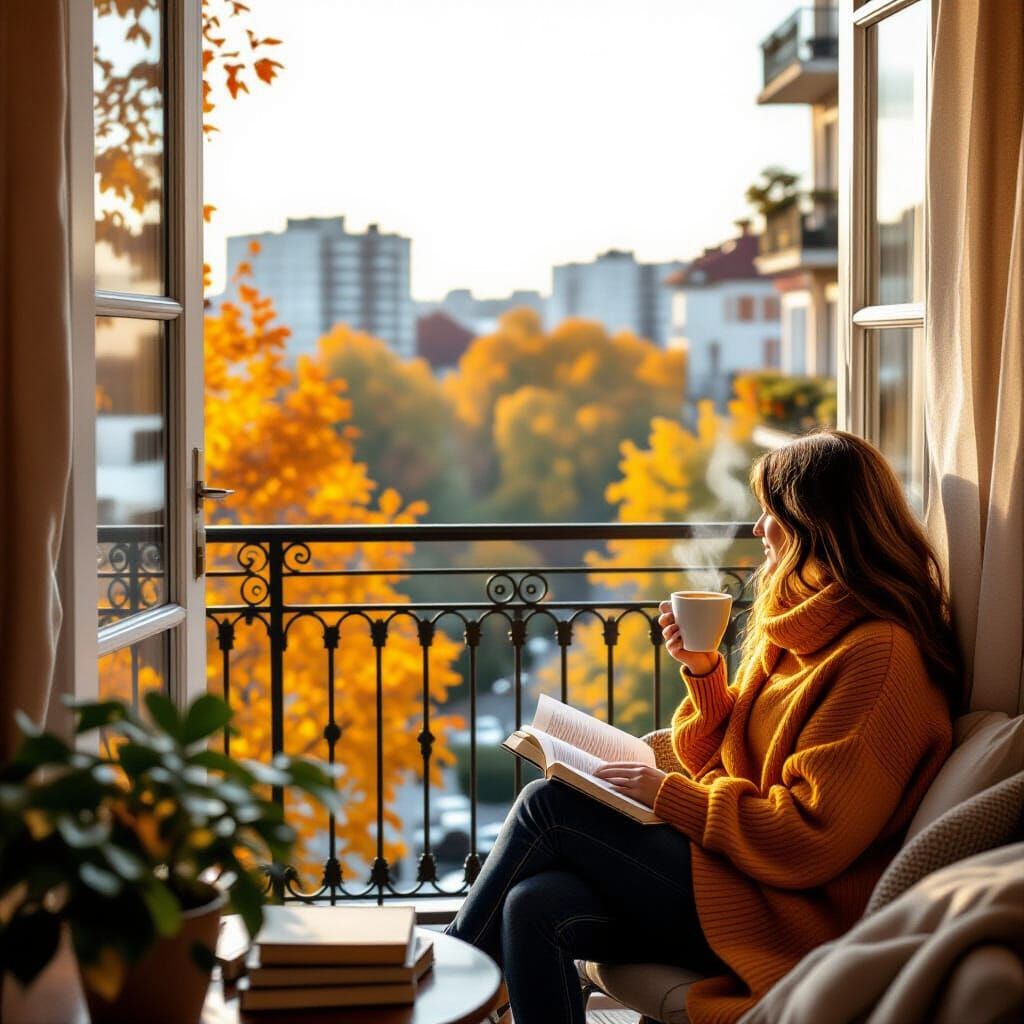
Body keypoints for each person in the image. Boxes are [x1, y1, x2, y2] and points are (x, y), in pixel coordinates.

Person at [446, 430, 957, 1024]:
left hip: (789, 912)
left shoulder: (878, 656)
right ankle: (458, 980)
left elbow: (809, 838)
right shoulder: (797, 629)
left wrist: (666, 795)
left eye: (772, 514)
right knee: (533, 905)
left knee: (549, 804)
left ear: (817, 525)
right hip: (738, 877)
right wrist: (705, 673)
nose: (760, 530)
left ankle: (447, 981)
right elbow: (719, 756)